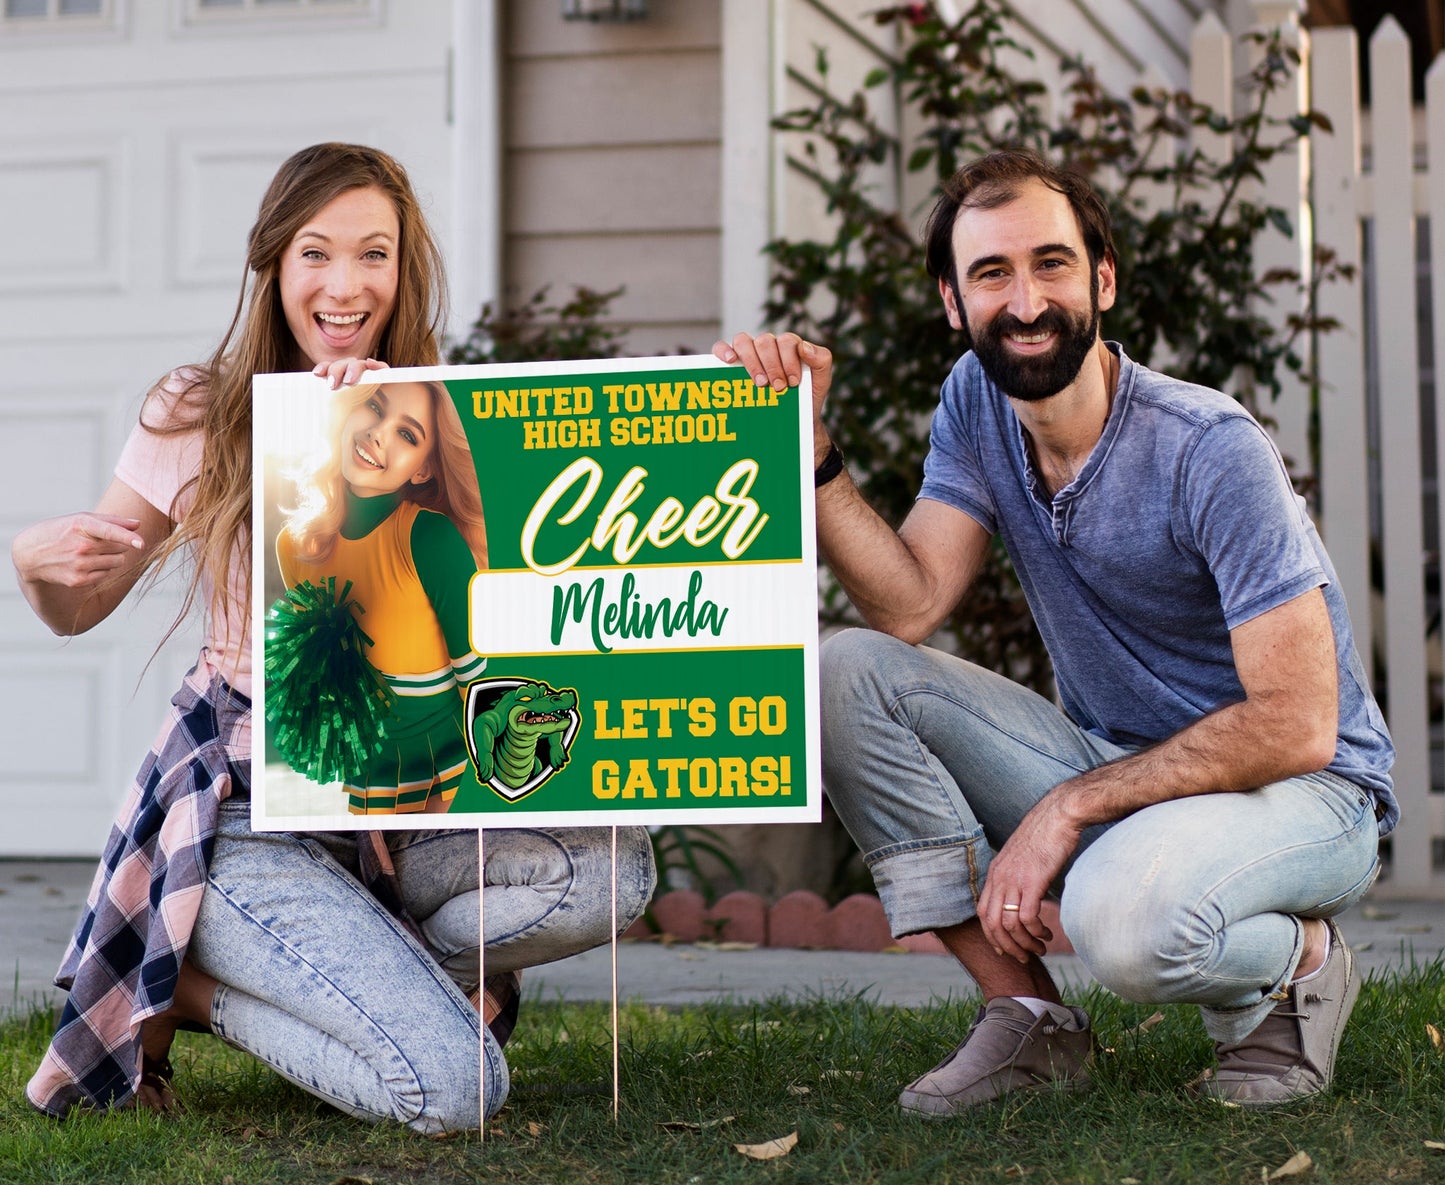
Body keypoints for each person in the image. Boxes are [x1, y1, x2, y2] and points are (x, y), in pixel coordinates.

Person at [717, 149, 1395, 1115]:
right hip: (1121, 764)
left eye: (1051, 264)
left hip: (1307, 793)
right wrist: (808, 449)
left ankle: (1304, 959)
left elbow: (1295, 725)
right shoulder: (977, 404)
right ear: (953, 303)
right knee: (845, 671)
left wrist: (1066, 809)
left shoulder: (1208, 447)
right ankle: (1030, 1019)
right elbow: (907, 604)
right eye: (991, 273)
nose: (1025, 301)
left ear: (1101, 279)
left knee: (1120, 925)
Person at [13, 142, 654, 1130]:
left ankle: (327, 968)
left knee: (618, 867)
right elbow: (80, 602)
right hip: (249, 809)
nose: (344, 284)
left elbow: (498, 624)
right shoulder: (200, 409)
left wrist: (753, 390)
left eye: (374, 255)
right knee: (456, 1085)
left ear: (406, 272)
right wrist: (36, 570)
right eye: (315, 253)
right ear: (274, 265)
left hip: (400, 816)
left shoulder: (449, 421)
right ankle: (188, 981)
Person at [274, 378, 488, 814]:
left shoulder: (429, 538)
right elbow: (318, 678)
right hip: (371, 780)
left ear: (423, 469)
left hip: (452, 775)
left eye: (406, 434)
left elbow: (480, 680)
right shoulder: (295, 546)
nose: (379, 433)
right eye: (375, 407)